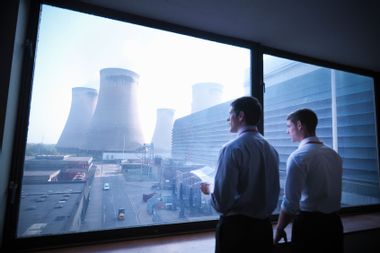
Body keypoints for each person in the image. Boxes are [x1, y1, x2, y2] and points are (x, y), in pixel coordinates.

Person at [200, 96, 280, 253]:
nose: (227, 119)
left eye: (230, 114)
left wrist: (209, 191)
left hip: (236, 233)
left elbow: (222, 203)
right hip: (263, 230)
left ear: (241, 116)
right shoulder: (272, 150)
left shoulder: (231, 149)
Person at [274, 108, 343, 253]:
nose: (287, 132)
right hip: (334, 225)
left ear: (299, 125)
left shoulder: (298, 157)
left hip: (310, 227)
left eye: (289, 126)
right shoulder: (333, 155)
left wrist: (279, 228)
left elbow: (290, 203)